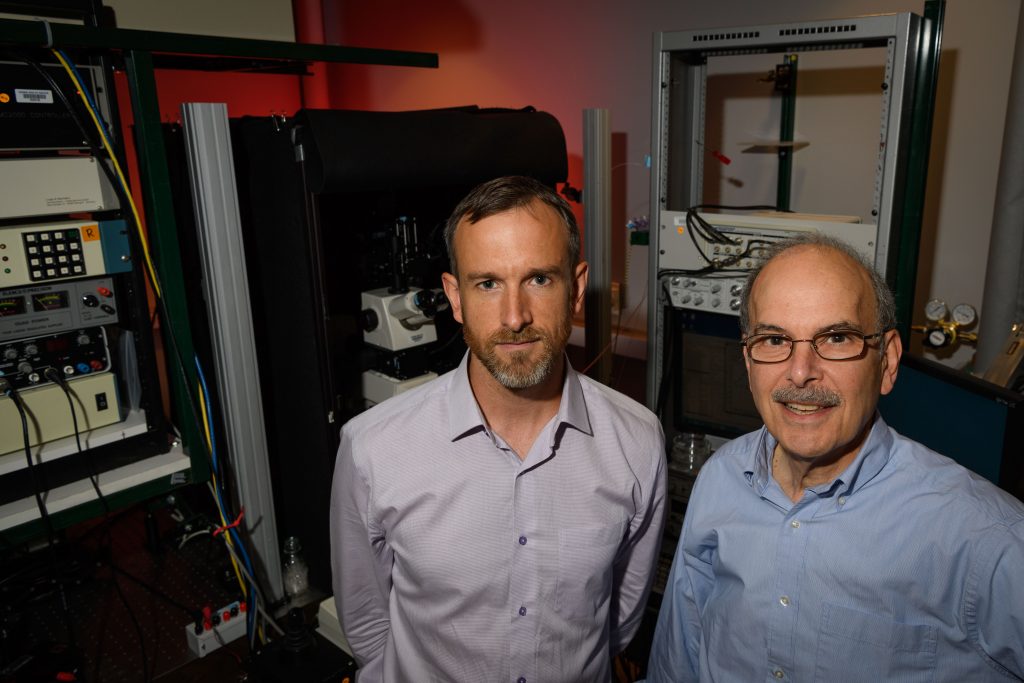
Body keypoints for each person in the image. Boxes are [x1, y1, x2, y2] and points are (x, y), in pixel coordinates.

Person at [331, 175, 667, 682]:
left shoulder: (637, 443)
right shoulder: (373, 449)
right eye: (487, 283)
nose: (514, 317)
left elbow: (618, 623)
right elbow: (367, 625)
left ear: (576, 289)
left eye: (539, 279)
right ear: (455, 296)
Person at [646, 233, 1024, 682]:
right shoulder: (721, 477)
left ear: (887, 363)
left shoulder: (989, 541)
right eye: (773, 340)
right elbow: (676, 665)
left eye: (837, 337)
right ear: (748, 364)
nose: (801, 372)